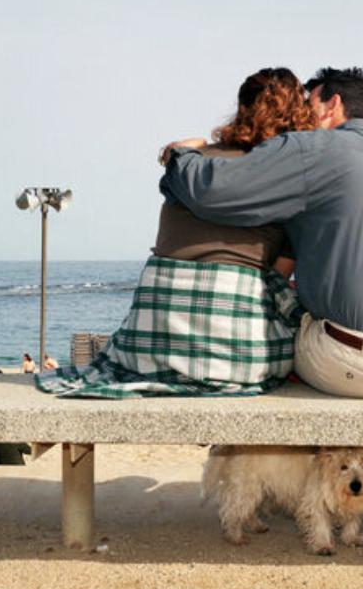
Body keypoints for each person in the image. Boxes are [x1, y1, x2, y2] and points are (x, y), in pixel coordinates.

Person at [161, 66, 363, 527]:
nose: (300, 116)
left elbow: (215, 192)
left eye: (308, 103)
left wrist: (180, 159)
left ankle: (275, 474)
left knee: (286, 319)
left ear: (332, 106)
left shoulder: (313, 149)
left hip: (359, 365)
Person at [40, 67, 316, 399]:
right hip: (235, 360)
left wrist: (182, 147)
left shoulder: (192, 164)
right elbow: (278, 277)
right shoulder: (289, 180)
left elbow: (175, 153)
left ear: (241, 107)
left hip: (149, 345)